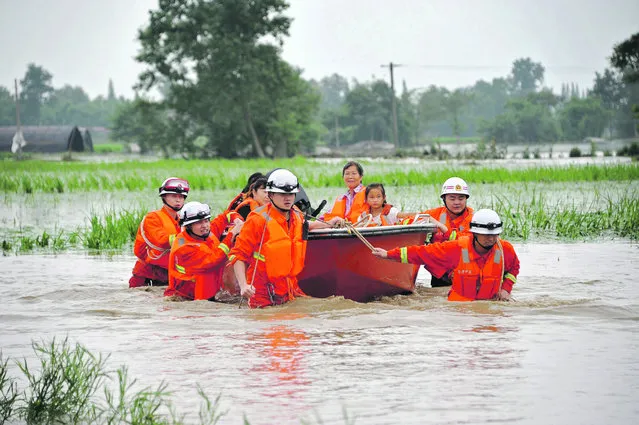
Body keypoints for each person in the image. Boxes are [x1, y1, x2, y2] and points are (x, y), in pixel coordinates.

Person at [371, 209, 519, 302]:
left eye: (494, 235)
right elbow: (423, 253)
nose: (491, 239)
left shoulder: (505, 249)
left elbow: (514, 268)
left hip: (491, 305)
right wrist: (389, 254)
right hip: (459, 309)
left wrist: (506, 289)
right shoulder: (457, 248)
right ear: (474, 233)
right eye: (486, 235)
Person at [230, 169, 309, 308]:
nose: (288, 198)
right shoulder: (257, 219)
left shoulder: (297, 215)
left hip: (290, 289)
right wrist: (243, 285)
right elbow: (238, 256)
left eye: (291, 194)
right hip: (263, 294)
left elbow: (306, 226)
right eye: (282, 194)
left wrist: (331, 223)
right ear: (270, 194)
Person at [164, 202, 243, 300]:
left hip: (209, 291)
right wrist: (232, 234)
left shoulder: (203, 233)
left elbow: (226, 215)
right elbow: (213, 260)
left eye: (206, 221)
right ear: (188, 226)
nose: (204, 225)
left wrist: (236, 219)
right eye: (199, 222)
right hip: (189, 297)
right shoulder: (183, 248)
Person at [129, 177, 189, 288]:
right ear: (164, 197)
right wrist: (188, 237)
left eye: (181, 197)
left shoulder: (182, 222)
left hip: (169, 275)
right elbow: (161, 241)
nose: (178, 200)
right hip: (147, 278)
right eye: (174, 196)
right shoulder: (152, 218)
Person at [358, 183, 449, 230]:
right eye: (371, 197)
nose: (375, 200)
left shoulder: (390, 211)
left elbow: (404, 215)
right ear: (366, 199)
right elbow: (358, 226)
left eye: (378, 197)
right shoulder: (364, 216)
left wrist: (420, 214)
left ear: (384, 198)